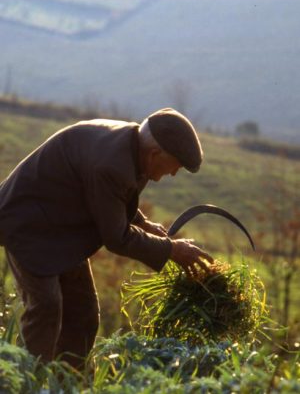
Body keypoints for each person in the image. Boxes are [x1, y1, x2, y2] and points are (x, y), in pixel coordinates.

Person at [0, 107, 213, 371]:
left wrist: (145, 225)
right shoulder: (112, 164)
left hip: (64, 228)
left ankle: (67, 382)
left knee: (83, 313)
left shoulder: (135, 150)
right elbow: (118, 238)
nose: (173, 174)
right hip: (29, 223)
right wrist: (172, 250)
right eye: (176, 166)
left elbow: (113, 199)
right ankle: (22, 382)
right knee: (47, 306)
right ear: (155, 154)